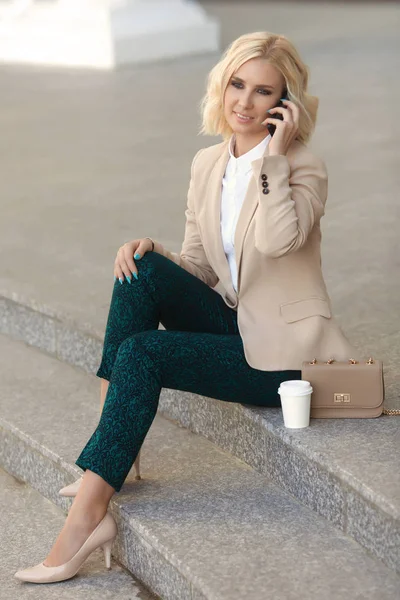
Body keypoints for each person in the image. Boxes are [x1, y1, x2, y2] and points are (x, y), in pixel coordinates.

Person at [14, 30, 361, 584]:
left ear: (284, 105)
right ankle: (113, 451)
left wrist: (273, 156)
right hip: (234, 323)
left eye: (263, 92)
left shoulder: (303, 168)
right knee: (141, 268)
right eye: (237, 85)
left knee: (143, 353)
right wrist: (158, 254)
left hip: (283, 359)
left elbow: (277, 243)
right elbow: (201, 265)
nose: (244, 102)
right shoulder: (207, 164)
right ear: (222, 86)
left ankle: (86, 518)